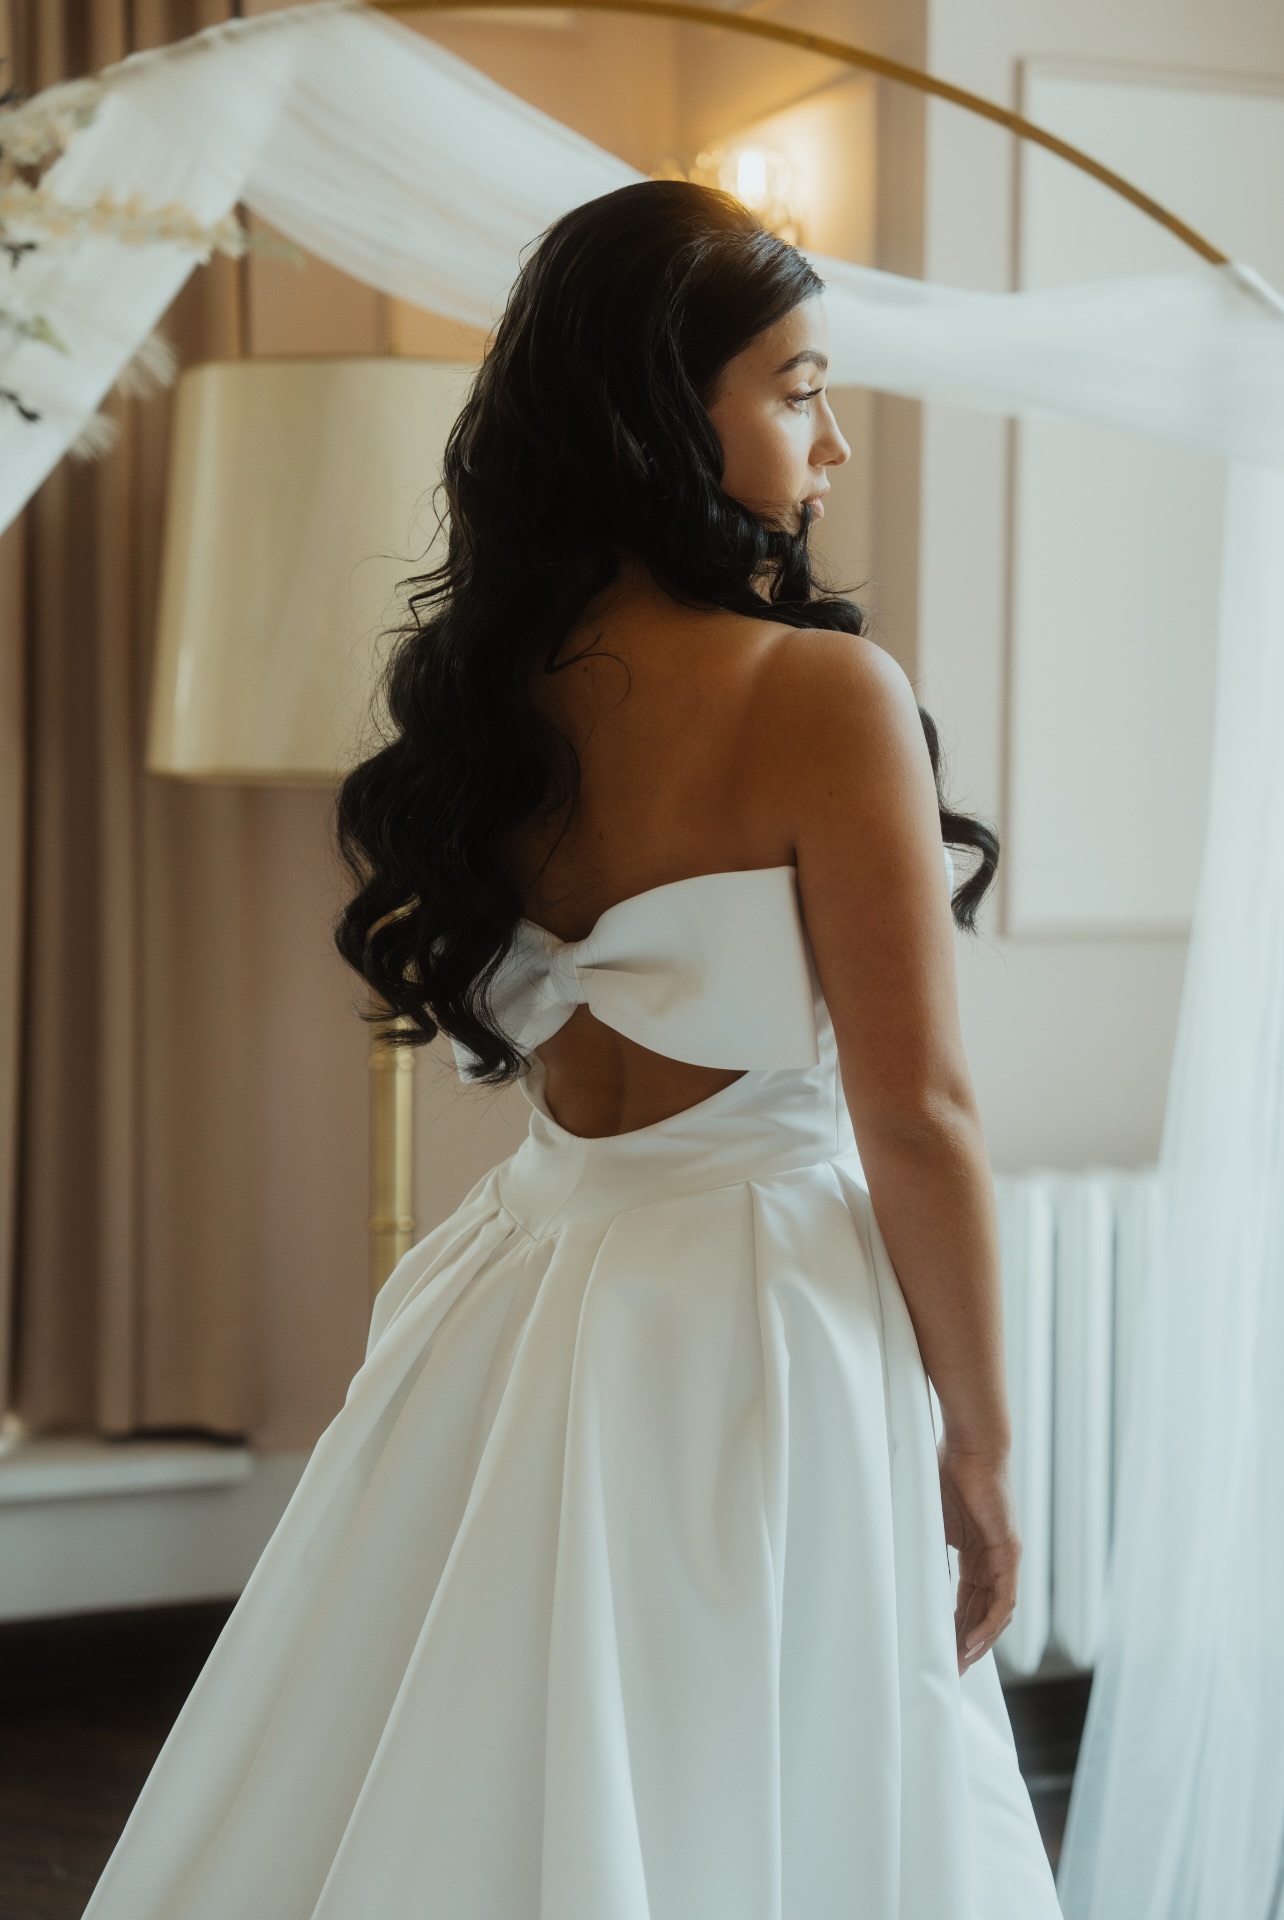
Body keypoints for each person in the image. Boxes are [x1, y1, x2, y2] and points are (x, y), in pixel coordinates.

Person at [83, 181, 1061, 1919]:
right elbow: (919, 1111)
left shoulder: (489, 695)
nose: (833, 444)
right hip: (757, 1316)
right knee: (749, 1771)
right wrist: (981, 1449)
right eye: (797, 389)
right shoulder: (819, 694)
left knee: (475, 1760)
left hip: (528, 1279)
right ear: (660, 408)